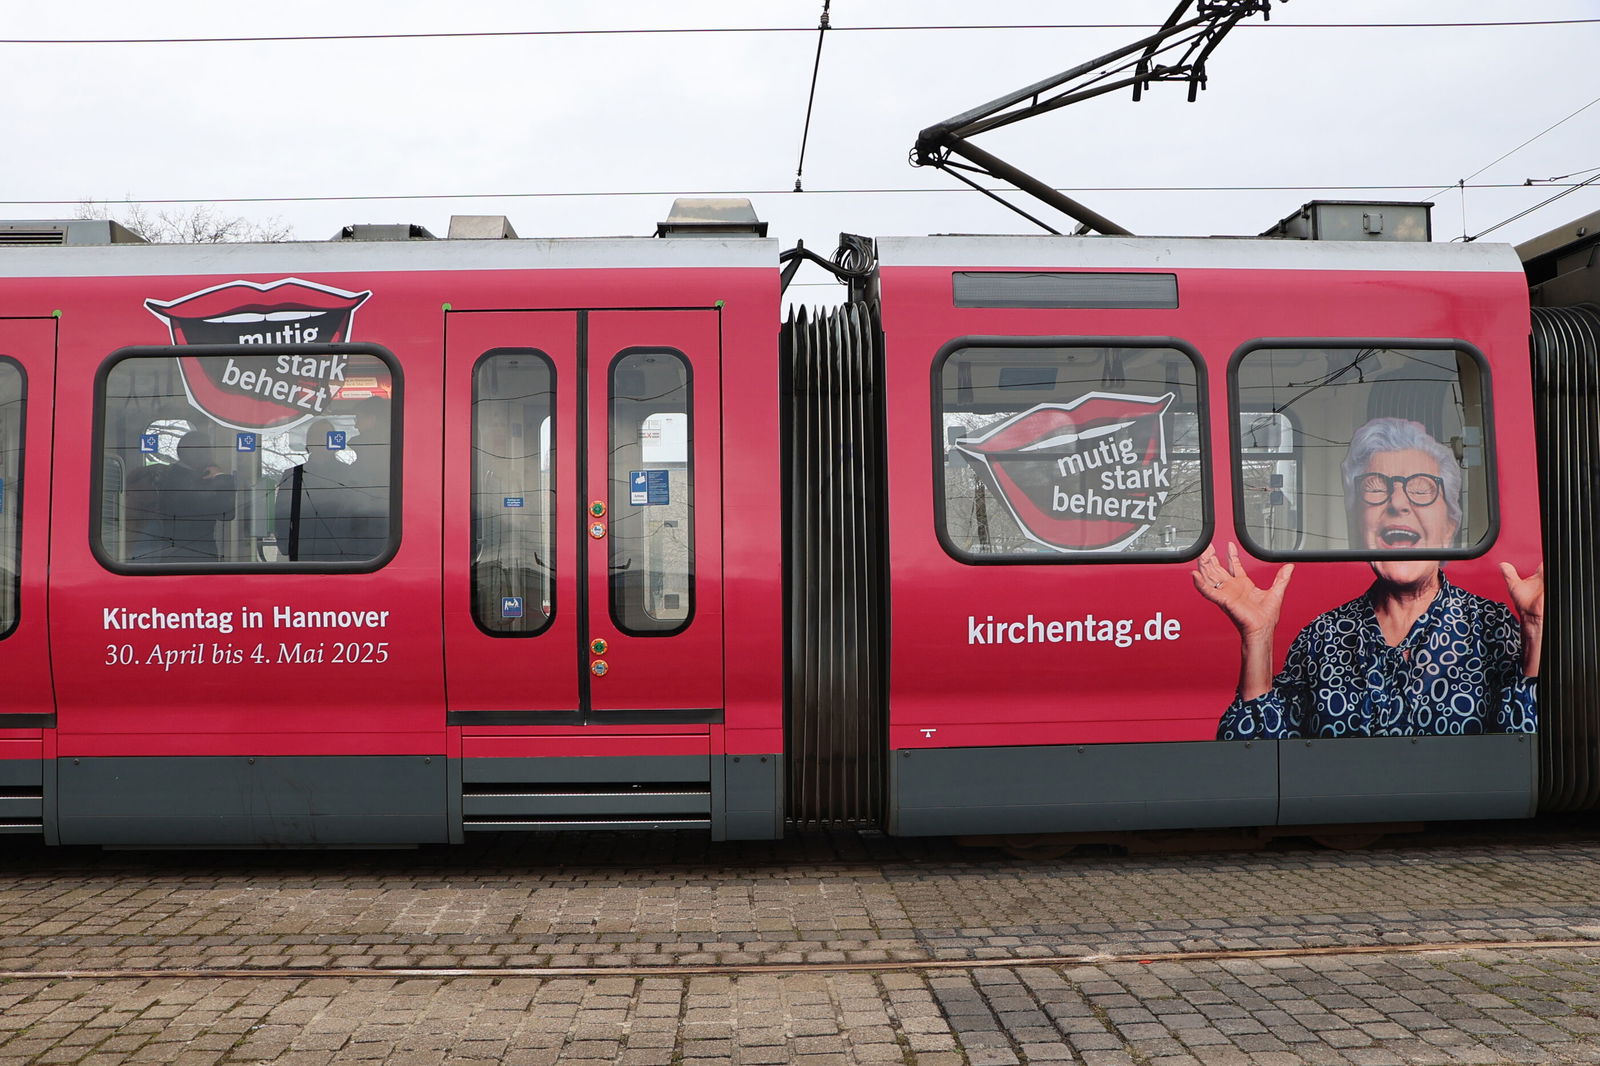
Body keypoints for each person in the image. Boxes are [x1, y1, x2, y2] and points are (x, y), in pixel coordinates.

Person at [1195, 417, 1542, 740]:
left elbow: (1526, 752)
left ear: (1450, 526)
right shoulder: (1322, 636)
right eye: (1376, 488)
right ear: (1358, 527)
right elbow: (1255, 757)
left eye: (1422, 489)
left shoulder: (1492, 627)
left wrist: (1536, 633)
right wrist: (1257, 639)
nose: (1397, 503)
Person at [274, 418, 389, 561]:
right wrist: (286, 546)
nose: (321, 441)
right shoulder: (293, 475)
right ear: (309, 442)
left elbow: (361, 514)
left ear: (334, 442)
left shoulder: (350, 474)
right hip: (303, 552)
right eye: (316, 436)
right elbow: (282, 515)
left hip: (344, 553)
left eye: (326, 437)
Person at [125, 430, 237, 561]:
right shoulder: (182, 480)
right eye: (205, 449)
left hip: (182, 555)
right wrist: (220, 476)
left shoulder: (179, 475)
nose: (208, 455)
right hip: (191, 557)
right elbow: (226, 512)